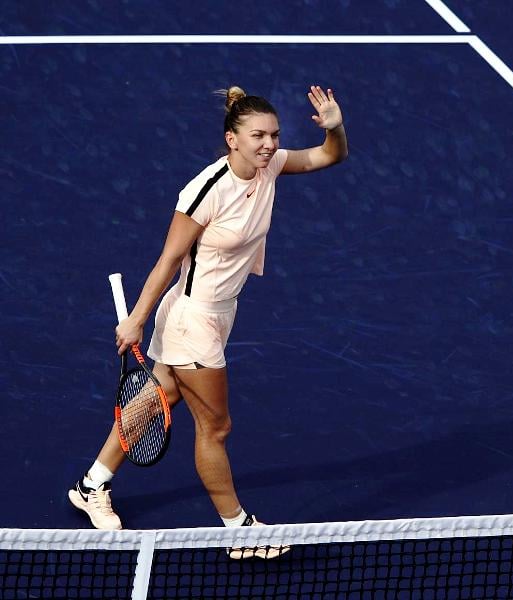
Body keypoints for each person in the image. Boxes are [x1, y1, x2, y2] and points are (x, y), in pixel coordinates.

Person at [68, 85, 348, 553]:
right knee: (215, 428)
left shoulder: (270, 167)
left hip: (220, 312)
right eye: (258, 135)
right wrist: (136, 319)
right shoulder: (205, 191)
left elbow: (327, 157)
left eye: (275, 135)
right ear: (231, 139)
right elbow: (168, 260)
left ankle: (92, 484)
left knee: (158, 400)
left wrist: (335, 128)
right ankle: (238, 530)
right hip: (191, 320)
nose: (270, 144)